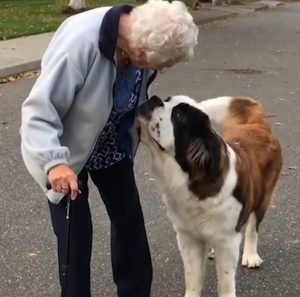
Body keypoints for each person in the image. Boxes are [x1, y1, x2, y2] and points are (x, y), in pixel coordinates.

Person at [20, 0, 198, 296]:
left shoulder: (142, 35)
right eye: (157, 65)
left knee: (129, 222)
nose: (156, 69)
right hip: (64, 148)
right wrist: (54, 163)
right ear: (141, 52)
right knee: (75, 239)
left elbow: (134, 91)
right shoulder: (81, 43)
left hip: (111, 140)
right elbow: (39, 112)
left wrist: (144, 122)